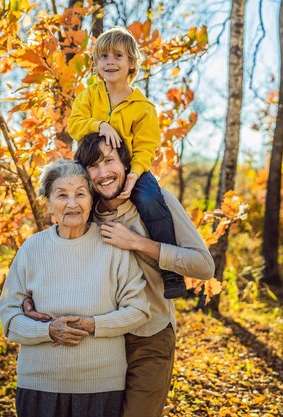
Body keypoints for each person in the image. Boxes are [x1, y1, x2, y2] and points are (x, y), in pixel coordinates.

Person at [24, 133, 215, 417]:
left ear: (125, 164)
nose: (103, 174)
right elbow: (54, 255)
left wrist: (138, 242)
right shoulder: (86, 212)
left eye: (109, 161)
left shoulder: (157, 204)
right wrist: (29, 297)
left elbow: (203, 266)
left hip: (150, 334)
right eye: (93, 166)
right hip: (100, 341)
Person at [0, 159, 151, 417]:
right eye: (61, 195)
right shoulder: (32, 249)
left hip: (101, 385)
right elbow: (9, 318)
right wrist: (48, 330)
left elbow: (139, 309)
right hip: (39, 383)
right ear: (48, 203)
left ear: (91, 200)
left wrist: (93, 324)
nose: (72, 203)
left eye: (80, 194)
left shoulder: (112, 246)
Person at [67, 26, 186, 299]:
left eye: (118, 56)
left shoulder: (142, 107)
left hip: (130, 168)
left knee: (148, 198)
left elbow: (146, 147)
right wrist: (100, 124)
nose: (110, 62)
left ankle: (171, 271)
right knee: (70, 193)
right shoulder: (89, 95)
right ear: (95, 64)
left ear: (131, 63)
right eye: (104, 56)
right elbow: (74, 125)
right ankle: (68, 253)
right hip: (90, 163)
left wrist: (135, 175)